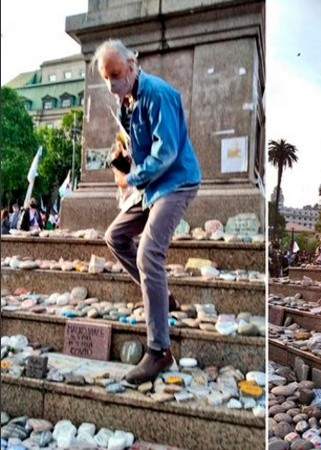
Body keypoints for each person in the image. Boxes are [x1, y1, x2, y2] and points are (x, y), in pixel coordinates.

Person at [97, 39, 202, 385]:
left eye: (115, 75)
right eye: (106, 77)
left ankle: (159, 351)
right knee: (115, 236)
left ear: (131, 64)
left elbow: (167, 151)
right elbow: (142, 147)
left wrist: (132, 177)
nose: (111, 83)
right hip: (152, 186)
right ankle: (163, 296)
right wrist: (126, 156)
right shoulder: (128, 100)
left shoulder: (158, 93)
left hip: (176, 182)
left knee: (149, 253)